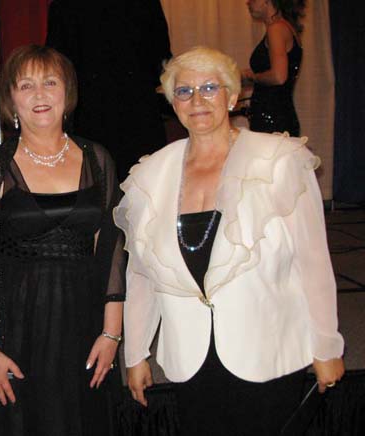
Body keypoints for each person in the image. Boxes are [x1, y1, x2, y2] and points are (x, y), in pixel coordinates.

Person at [113, 46, 344, 436]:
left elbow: (313, 261)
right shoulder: (150, 175)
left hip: (266, 347)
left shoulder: (279, 161)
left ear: (233, 96)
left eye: (209, 87)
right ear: (173, 102)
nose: (197, 100)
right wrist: (135, 354)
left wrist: (327, 346)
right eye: (184, 91)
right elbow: (141, 274)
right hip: (191, 355)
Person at [0, 44, 126, 436]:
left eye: (50, 82)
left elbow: (113, 250)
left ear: (67, 92)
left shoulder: (97, 158)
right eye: (26, 85)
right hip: (17, 330)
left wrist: (111, 333)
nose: (39, 95)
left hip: (86, 328)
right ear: (10, 99)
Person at [46, 0, 172, 180]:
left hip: (96, 114)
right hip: (131, 113)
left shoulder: (64, 5)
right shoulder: (145, 4)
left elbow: (58, 69)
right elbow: (161, 63)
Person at [243, 0, 305, 136]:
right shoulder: (285, 27)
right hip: (278, 115)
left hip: (272, 118)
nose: (247, 2)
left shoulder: (276, 28)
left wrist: (253, 77)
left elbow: (279, 77)